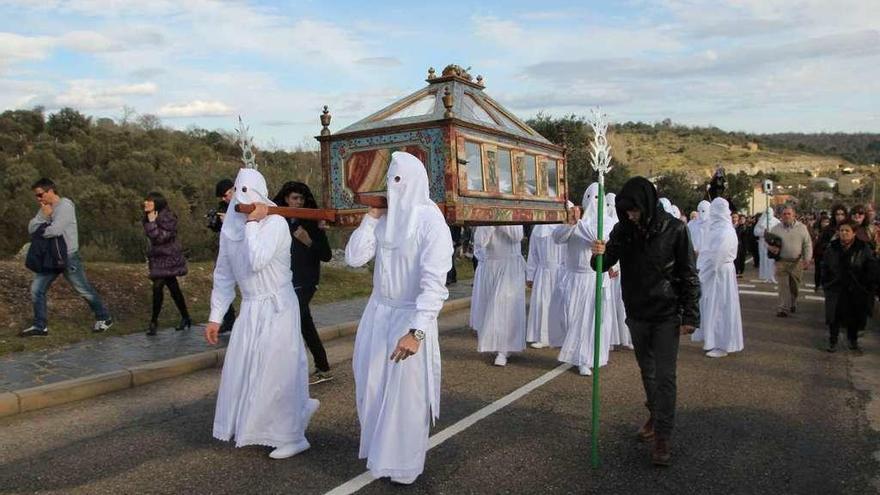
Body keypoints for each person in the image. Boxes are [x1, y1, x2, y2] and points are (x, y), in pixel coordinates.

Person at [344, 151, 453, 485]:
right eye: (390, 180)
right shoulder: (386, 219)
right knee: (372, 386)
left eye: (399, 180)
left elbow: (434, 284)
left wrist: (417, 332)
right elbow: (354, 258)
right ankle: (382, 456)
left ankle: (404, 465)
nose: (393, 187)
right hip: (377, 315)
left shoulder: (430, 221)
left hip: (409, 317)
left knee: (406, 396)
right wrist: (372, 216)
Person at [204, 168, 319, 460]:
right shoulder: (230, 232)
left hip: (278, 305)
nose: (241, 201)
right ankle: (287, 416)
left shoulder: (276, 224)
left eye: (248, 193)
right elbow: (224, 274)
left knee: (277, 372)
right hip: (252, 307)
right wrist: (216, 315)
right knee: (251, 370)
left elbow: (257, 260)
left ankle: (292, 435)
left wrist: (254, 223)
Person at [591, 176, 700, 467]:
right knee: (647, 371)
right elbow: (602, 265)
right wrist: (598, 253)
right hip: (637, 311)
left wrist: (690, 314)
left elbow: (689, 273)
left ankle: (663, 435)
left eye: (635, 210)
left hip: (666, 313)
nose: (630, 215)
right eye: (626, 211)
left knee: (665, 376)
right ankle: (656, 413)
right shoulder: (623, 230)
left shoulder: (675, 229)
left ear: (648, 205)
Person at [21, 178, 113, 337]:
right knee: (37, 289)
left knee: (83, 289)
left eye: (40, 195)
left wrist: (43, 225)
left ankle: (104, 318)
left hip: (68, 256)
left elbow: (55, 230)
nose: (38, 199)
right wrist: (44, 217)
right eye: (36, 196)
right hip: (50, 257)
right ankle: (40, 326)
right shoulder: (45, 208)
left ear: (50, 191)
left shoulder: (65, 206)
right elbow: (31, 228)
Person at [273, 181, 334, 385]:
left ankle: (292, 371)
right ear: (285, 199)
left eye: (301, 198)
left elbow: (326, 255)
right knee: (304, 323)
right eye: (294, 198)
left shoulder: (312, 221)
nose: (298, 202)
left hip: (307, 281)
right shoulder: (277, 221)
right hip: (284, 280)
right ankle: (322, 367)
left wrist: (308, 240)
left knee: (293, 319)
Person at [555, 183, 614, 376]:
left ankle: (586, 359)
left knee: (591, 320)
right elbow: (558, 238)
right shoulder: (574, 220)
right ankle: (576, 354)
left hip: (593, 278)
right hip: (572, 277)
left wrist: (578, 224)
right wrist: (571, 224)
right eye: (591, 197)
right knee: (570, 317)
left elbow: (599, 238)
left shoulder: (608, 222)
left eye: (598, 198)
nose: (594, 203)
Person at [692, 198, 743, 358]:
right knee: (712, 306)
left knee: (721, 307)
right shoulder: (717, 229)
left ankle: (723, 343)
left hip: (719, 273)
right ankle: (713, 340)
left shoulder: (726, 231)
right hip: (713, 272)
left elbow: (717, 256)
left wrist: (702, 273)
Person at [470, 225, 527, 366]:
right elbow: (480, 242)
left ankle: (504, 349)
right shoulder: (485, 217)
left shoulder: (513, 215)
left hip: (510, 265)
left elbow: (517, 235)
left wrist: (500, 219)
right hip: (491, 265)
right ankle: (496, 345)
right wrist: (490, 223)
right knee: (490, 309)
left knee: (503, 306)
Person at [821, 221, 879, 353]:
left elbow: (871, 267)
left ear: (854, 232)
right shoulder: (832, 247)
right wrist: (826, 283)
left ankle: (853, 341)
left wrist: (866, 283)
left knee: (854, 316)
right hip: (835, 286)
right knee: (834, 316)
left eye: (847, 230)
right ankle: (833, 341)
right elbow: (825, 265)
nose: (844, 233)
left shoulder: (862, 248)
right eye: (841, 230)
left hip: (855, 287)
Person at [142, 191, 191, 336]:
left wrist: (151, 222)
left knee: (158, 287)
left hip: (168, 258)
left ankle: (153, 322)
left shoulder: (167, 218)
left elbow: (160, 238)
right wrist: (150, 221)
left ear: (156, 203)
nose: (145, 203)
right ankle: (186, 317)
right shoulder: (149, 216)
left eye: (149, 201)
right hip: (158, 258)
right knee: (173, 287)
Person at [525, 223, 566, 348]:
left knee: (561, 304)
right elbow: (533, 253)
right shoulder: (539, 229)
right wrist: (530, 275)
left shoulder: (565, 228)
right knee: (542, 303)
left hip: (562, 271)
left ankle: (562, 336)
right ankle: (543, 336)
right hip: (543, 271)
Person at [767, 206, 812, 318]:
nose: (786, 216)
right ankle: (783, 308)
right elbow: (768, 243)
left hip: (796, 262)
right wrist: (770, 248)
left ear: (794, 215)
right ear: (781, 216)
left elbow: (807, 244)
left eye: (789, 214)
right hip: (781, 262)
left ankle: (793, 302)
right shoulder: (776, 228)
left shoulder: (802, 228)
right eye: (784, 214)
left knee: (794, 287)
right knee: (783, 286)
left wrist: (807, 259)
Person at [209, 178, 236, 334]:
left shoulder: (243, 204)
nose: (225, 199)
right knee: (222, 284)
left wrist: (229, 221)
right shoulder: (223, 207)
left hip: (245, 252)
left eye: (226, 195)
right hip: (228, 251)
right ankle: (228, 318)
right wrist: (216, 222)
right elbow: (218, 228)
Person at [605, 192, 632, 350]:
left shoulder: (621, 225)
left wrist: (616, 267)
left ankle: (625, 337)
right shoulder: (607, 224)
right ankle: (611, 339)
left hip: (621, 271)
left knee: (622, 305)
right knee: (610, 306)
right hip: (609, 272)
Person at [754, 207, 780, 283]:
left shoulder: (776, 221)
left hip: (772, 244)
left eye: (770, 213)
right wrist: (763, 232)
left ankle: (772, 276)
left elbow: (780, 232)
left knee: (772, 260)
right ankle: (765, 276)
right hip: (763, 243)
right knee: (764, 259)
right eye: (767, 213)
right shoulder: (761, 221)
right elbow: (755, 232)